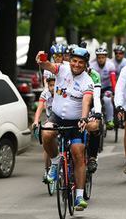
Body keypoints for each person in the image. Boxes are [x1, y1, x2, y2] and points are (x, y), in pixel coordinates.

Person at [37, 47, 94, 210]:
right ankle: (55, 162)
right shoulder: (61, 69)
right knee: (47, 133)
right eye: (74, 61)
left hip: (76, 121)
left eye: (80, 62)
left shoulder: (87, 81)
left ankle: (79, 196)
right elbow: (47, 66)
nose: (76, 65)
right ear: (71, 60)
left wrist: (84, 118)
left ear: (85, 64)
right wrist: (41, 60)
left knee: (78, 152)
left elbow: (86, 101)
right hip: (56, 116)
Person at [33, 73, 56, 182]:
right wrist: (36, 121)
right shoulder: (45, 93)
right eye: (50, 85)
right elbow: (39, 108)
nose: (52, 88)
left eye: (54, 85)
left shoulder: (62, 93)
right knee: (47, 144)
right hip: (49, 121)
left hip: (61, 120)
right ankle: (47, 170)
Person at [90, 46, 116, 130]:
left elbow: (113, 80)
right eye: (99, 57)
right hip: (95, 87)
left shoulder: (110, 65)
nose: (101, 59)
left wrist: (114, 92)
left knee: (107, 99)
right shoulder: (91, 65)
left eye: (103, 57)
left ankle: (109, 120)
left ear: (106, 57)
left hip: (106, 87)